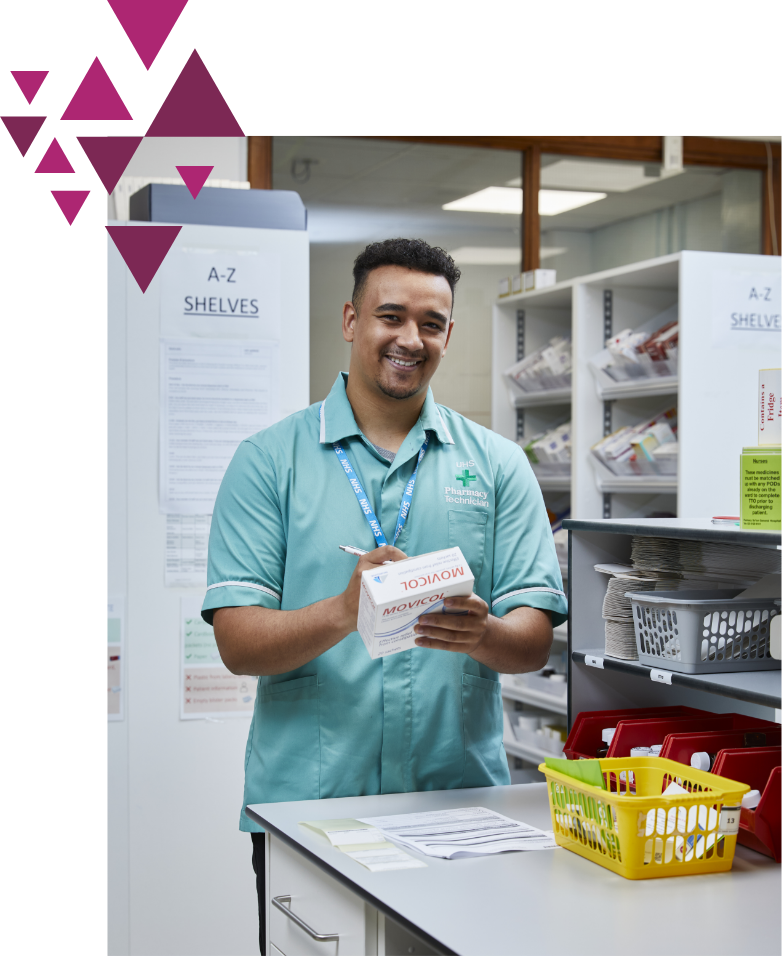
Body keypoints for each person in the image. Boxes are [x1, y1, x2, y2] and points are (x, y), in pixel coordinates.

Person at [202, 238, 567, 952]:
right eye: (390, 316)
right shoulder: (269, 462)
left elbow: (533, 640)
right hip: (309, 814)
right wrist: (345, 610)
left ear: (449, 335)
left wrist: (483, 635)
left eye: (431, 323)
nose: (410, 339)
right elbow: (237, 644)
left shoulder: (495, 467)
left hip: (459, 812)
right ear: (351, 320)